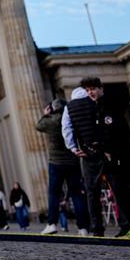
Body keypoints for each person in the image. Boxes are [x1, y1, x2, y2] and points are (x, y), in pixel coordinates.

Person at [62, 76, 130, 238]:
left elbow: (69, 129)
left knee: (106, 193)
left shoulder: (102, 106)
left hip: (108, 155)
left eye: (93, 89)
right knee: (122, 195)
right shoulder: (97, 105)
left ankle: (102, 229)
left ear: (101, 89)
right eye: (88, 90)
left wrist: (75, 147)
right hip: (107, 155)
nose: (90, 92)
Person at [35, 97, 90, 236]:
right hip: (73, 161)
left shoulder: (50, 121)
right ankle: (83, 227)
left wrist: (46, 114)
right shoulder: (71, 119)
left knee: (54, 194)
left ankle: (51, 223)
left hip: (56, 162)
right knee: (77, 194)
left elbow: (38, 125)